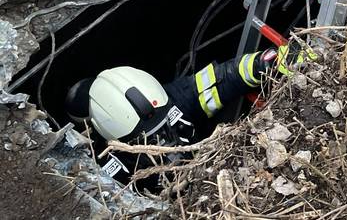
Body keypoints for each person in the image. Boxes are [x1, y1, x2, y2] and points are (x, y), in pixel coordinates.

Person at [65, 46, 301, 178]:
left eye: (164, 122)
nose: (165, 140)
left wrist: (265, 63)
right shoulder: (109, 172)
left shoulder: (174, 98)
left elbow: (223, 78)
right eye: (150, 137)